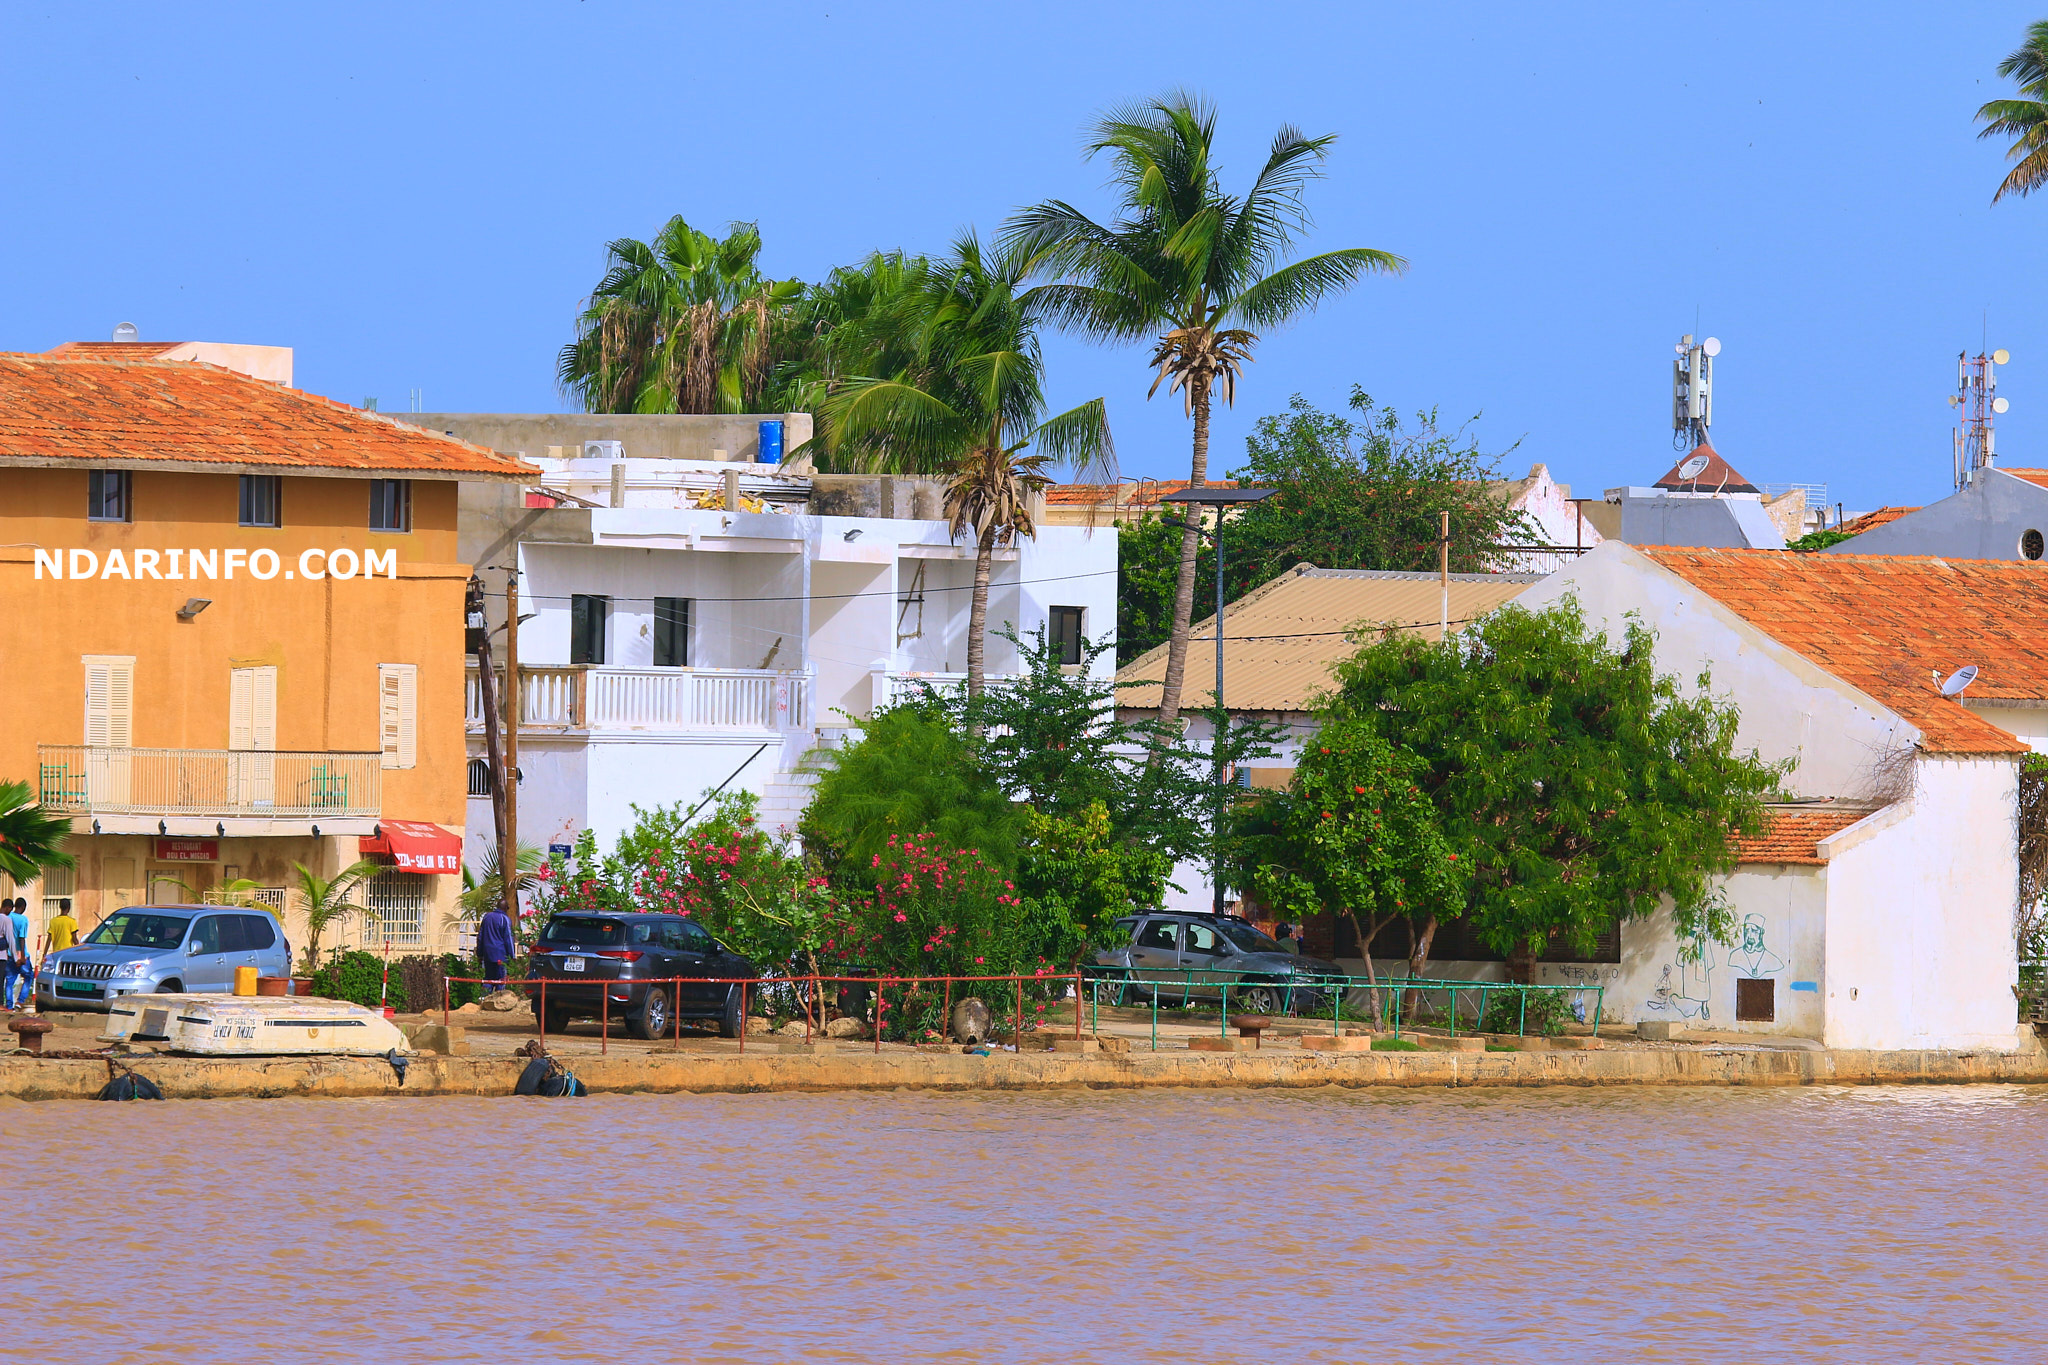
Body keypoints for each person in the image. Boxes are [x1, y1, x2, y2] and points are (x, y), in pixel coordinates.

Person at [477, 903, 515, 988]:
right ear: (505, 908)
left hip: (487, 954)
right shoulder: (504, 919)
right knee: (501, 980)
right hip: (500, 954)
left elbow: (480, 936)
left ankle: (485, 999)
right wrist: (512, 956)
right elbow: (508, 939)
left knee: (488, 979)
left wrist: (479, 954)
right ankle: (499, 1000)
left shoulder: (487, 917)